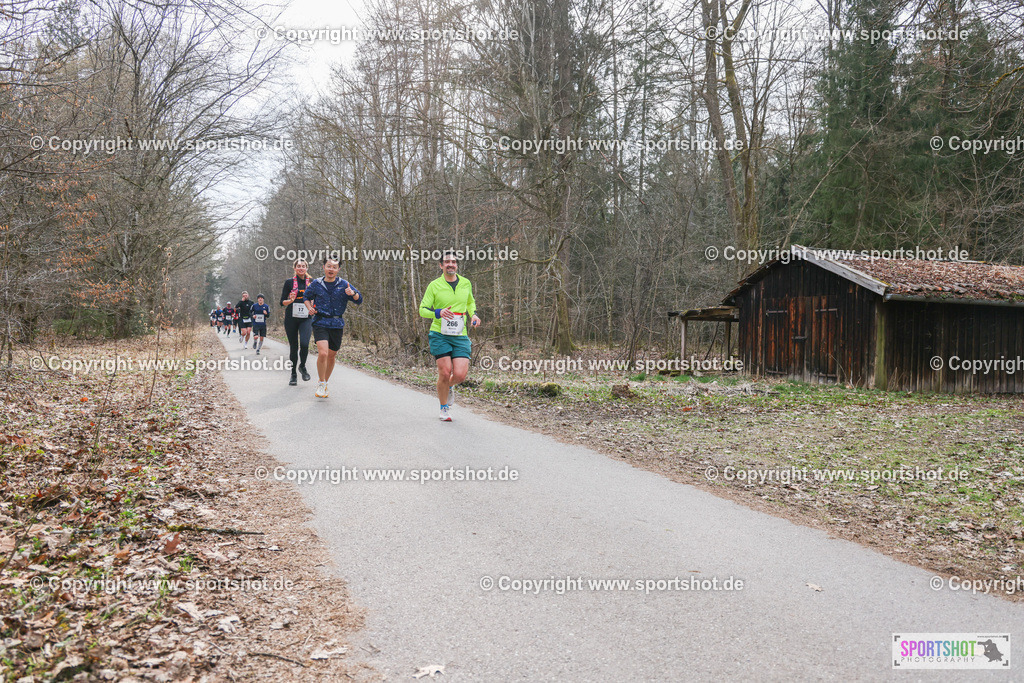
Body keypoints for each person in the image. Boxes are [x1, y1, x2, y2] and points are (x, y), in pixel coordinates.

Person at [419, 250, 480, 421]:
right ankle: (444, 407)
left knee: (460, 375)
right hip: (440, 334)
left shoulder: (466, 283)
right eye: (447, 262)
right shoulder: (434, 285)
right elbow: (422, 310)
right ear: (441, 265)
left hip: (460, 334)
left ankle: (448, 387)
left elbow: (470, 302)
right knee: (445, 372)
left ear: (457, 264)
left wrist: (473, 314)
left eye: (453, 261)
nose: (450, 264)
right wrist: (437, 312)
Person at [303, 257, 362, 398]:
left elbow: (359, 300)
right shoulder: (316, 283)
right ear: (324, 267)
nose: (331, 269)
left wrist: (352, 294)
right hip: (320, 322)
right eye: (329, 266)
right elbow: (306, 296)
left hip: (336, 323)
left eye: (334, 267)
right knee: (323, 353)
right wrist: (310, 308)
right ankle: (321, 383)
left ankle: (325, 382)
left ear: (338, 269)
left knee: (332, 355)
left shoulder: (344, 284)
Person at [280, 259, 313, 386]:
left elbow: (316, 298)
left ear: (306, 268)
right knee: (293, 347)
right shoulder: (289, 282)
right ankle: (293, 374)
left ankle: (302, 366)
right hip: (291, 318)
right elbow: (281, 302)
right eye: (298, 266)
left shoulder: (311, 282)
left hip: (306, 318)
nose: (301, 268)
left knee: (304, 344)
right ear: (294, 268)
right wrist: (290, 300)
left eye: (303, 266)